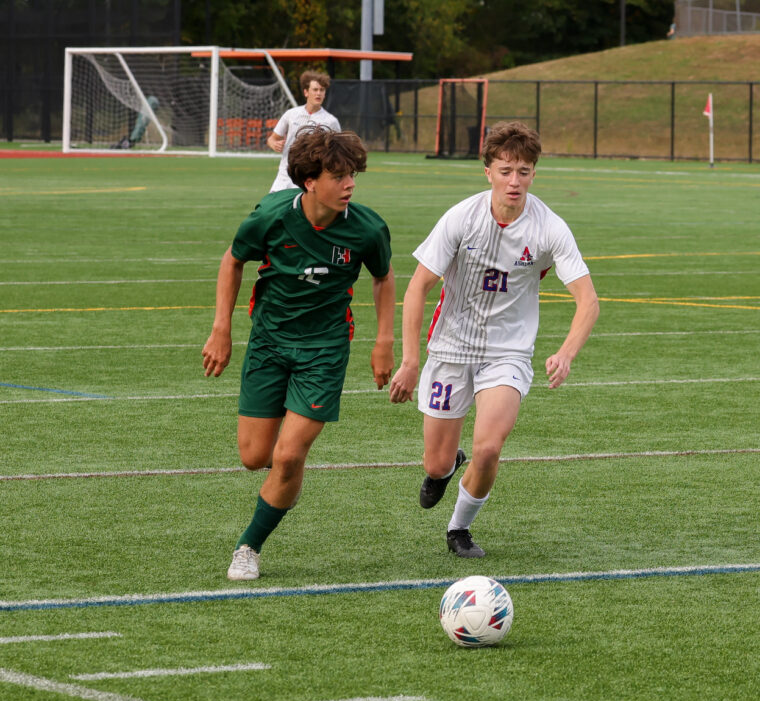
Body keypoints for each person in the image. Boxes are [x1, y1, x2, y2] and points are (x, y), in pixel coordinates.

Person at [388, 121, 600, 558]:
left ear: (534, 174)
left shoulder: (549, 227)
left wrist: (566, 352)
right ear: (488, 172)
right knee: (436, 463)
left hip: (508, 353)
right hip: (450, 348)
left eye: (523, 171)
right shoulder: (461, 218)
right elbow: (417, 288)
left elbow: (588, 300)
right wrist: (410, 360)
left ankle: (459, 529)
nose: (514, 181)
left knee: (489, 448)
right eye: (505, 171)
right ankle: (446, 469)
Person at [202, 126, 395, 580]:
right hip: (268, 343)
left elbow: (383, 279)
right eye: (339, 175)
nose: (350, 184)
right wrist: (221, 329)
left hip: (325, 350)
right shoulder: (270, 215)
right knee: (255, 457)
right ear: (310, 181)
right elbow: (233, 260)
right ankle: (286, 470)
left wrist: (384, 342)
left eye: (353, 175)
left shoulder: (367, 228)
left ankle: (248, 546)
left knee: (288, 456)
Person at [267, 70, 341, 193]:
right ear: (306, 92)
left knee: (300, 211)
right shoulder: (291, 114)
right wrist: (274, 144)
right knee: (271, 210)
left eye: (322, 90)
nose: (319, 93)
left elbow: (338, 150)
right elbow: (272, 138)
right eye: (315, 89)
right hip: (284, 176)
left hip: (308, 179)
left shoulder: (330, 121)